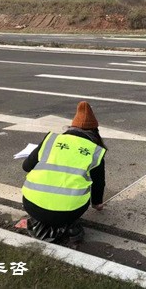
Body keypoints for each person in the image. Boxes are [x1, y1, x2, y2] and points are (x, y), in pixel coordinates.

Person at [21, 101, 107, 242]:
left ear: (71, 127)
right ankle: (67, 225)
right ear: (95, 132)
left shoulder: (52, 140)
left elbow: (26, 166)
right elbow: (98, 183)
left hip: (31, 206)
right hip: (68, 214)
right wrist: (97, 204)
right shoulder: (95, 150)